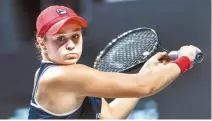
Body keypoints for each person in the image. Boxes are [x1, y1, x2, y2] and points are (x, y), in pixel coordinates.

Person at [28, 5, 201, 119]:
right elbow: (145, 86)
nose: (71, 45)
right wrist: (186, 58)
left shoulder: (61, 76)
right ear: (42, 42)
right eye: (60, 38)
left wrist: (144, 72)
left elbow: (111, 116)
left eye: (75, 36)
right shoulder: (61, 76)